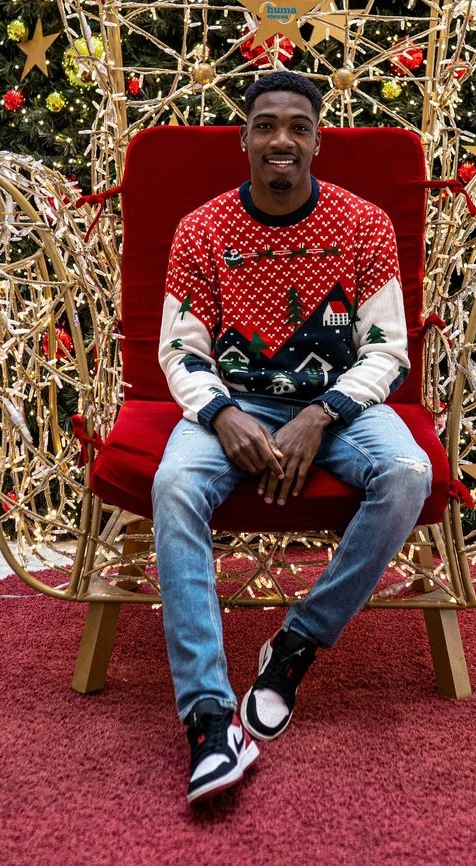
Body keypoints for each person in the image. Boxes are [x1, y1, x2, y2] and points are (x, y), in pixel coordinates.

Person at [152, 71, 432, 805]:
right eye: (267, 125)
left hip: (337, 405)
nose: (282, 139)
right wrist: (221, 413)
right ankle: (209, 719)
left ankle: (297, 643)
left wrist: (322, 412)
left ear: (317, 141)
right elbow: (181, 349)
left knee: (407, 472)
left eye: (298, 126)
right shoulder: (202, 229)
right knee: (175, 484)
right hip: (234, 403)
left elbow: (386, 349)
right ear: (244, 139)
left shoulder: (362, 223)